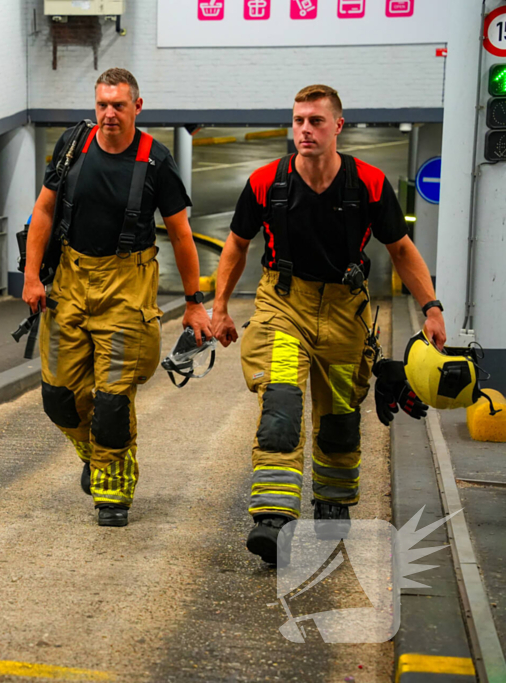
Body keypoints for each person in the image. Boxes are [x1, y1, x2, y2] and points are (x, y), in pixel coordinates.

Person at [209, 84, 446, 563]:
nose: (304, 129)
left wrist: (432, 308)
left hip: (345, 311)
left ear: (338, 126)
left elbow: (401, 250)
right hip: (283, 304)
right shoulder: (265, 183)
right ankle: (273, 519)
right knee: (281, 401)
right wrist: (218, 307)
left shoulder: (370, 185)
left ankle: (333, 505)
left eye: (315, 121)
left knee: (340, 415)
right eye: (298, 120)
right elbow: (235, 244)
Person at [22, 68, 212, 527]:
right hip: (69, 280)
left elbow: (183, 237)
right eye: (102, 105)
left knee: (111, 400)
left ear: (137, 108)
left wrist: (194, 302)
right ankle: (100, 458)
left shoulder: (156, 161)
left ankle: (114, 493)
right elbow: (44, 210)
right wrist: (31, 276)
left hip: (127, 286)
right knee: (58, 398)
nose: (109, 114)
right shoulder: (73, 145)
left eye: (119, 105)